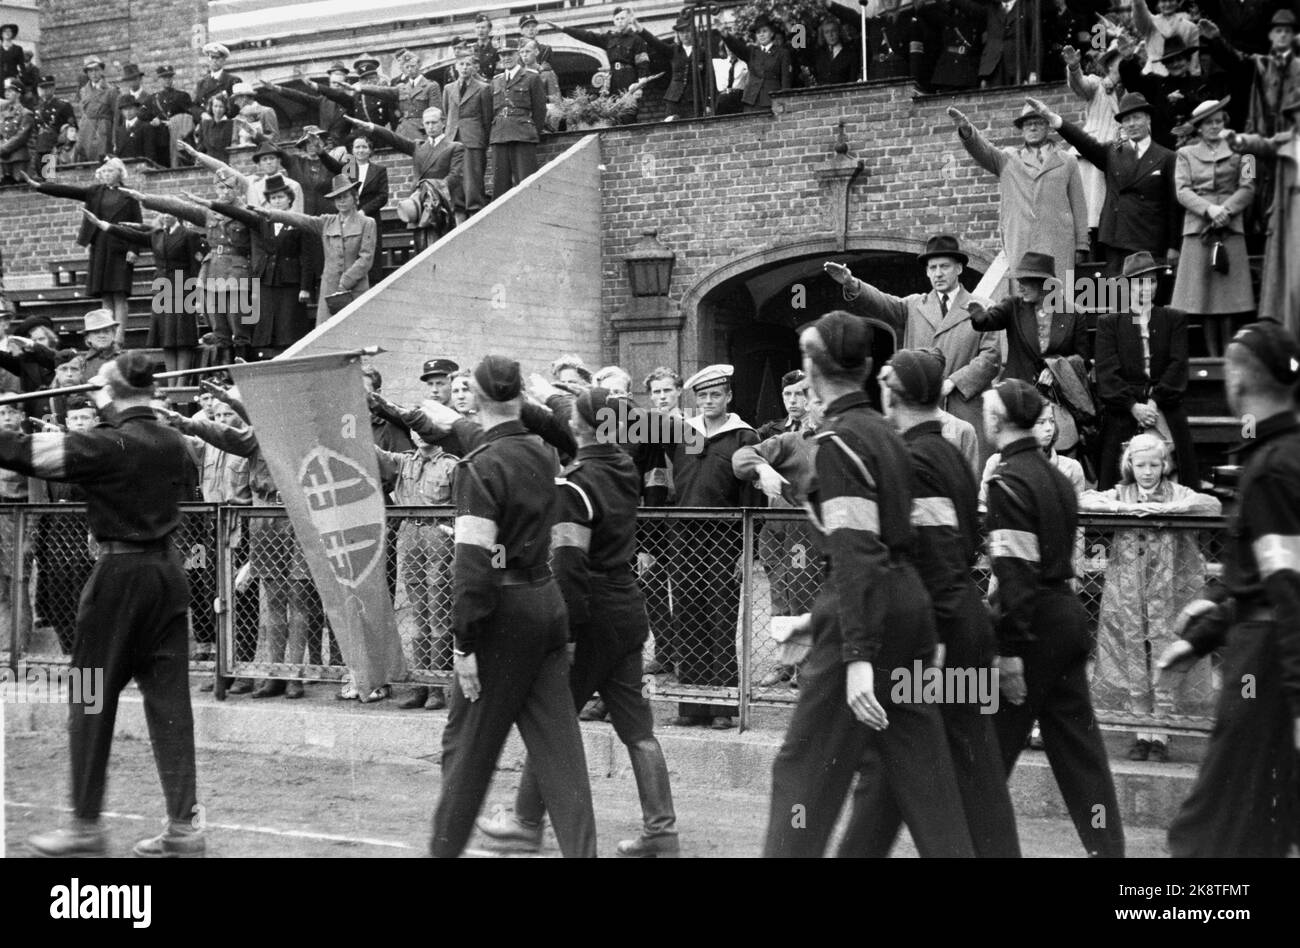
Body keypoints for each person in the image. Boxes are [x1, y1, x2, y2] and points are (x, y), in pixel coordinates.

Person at [764, 312, 975, 858]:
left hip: (865, 616)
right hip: (909, 608)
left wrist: (857, 655)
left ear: (813, 370)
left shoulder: (839, 442)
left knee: (804, 767)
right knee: (927, 781)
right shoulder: (888, 434)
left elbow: (858, 552)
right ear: (864, 368)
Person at [13, 352, 206, 858]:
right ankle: (184, 829)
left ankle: (84, 826)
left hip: (116, 580)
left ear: (109, 394)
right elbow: (142, 435)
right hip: (168, 577)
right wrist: (111, 397)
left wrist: (103, 404)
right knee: (171, 707)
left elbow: (20, 452)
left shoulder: (102, 444)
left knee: (88, 695)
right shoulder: (176, 442)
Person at [476, 385, 680, 857]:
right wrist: (530, 397)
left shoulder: (575, 484)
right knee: (639, 732)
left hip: (591, 617)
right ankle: (661, 832)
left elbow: (568, 567)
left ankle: (526, 822)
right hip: (628, 608)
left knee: (552, 724)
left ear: (581, 426)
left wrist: (565, 634)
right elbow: (570, 421)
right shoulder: (623, 466)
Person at [838, 348, 1021, 858]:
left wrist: (932, 639)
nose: (878, 381)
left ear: (896, 391)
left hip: (938, 635)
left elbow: (935, 552)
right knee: (968, 760)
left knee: (891, 760)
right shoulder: (948, 454)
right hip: (965, 624)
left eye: (886, 377)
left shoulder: (915, 460)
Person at [428, 355, 597, 858]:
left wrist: (463, 643)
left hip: (501, 613)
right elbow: (563, 435)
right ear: (520, 395)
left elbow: (473, 566)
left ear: (477, 400)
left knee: (466, 753)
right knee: (560, 754)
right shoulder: (541, 453)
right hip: (545, 599)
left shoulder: (479, 466)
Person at [1161, 320, 1300, 857]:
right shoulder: (1279, 456)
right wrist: (1204, 632)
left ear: (1238, 383)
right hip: (1266, 654)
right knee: (1255, 820)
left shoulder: (1272, 468)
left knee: (1211, 826)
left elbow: (1286, 591)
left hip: (1267, 663)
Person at [983, 378, 1125, 857]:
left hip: (1031, 626)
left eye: (987, 406)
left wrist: (1008, 650)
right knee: (1081, 758)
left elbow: (1016, 574)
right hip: (1065, 616)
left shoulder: (1006, 480)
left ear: (999, 419)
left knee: (984, 757)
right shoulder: (1057, 477)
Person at [1081, 432, 1222, 762]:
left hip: (1168, 592)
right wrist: (1124, 507)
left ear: (1164, 465)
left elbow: (1210, 504)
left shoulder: (1177, 492)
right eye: (1141, 464)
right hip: (1129, 592)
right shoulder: (1124, 492)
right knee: (1133, 653)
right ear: (1130, 464)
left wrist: (1171, 508)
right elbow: (1086, 500)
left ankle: (1161, 733)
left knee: (1164, 649)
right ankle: (1140, 730)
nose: (1147, 471)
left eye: (1154, 465)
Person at [828, 234, 1001, 466]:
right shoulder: (913, 306)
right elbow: (881, 302)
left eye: (944, 266)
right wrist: (852, 284)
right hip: (919, 410)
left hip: (963, 408)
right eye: (932, 268)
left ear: (959, 268)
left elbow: (991, 357)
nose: (938, 273)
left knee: (965, 473)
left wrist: (953, 382)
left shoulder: (983, 307)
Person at [1028, 93, 1182, 274]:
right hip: (1116, 239)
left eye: (1136, 117)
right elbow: (1085, 143)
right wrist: (1055, 119)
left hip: (1149, 240)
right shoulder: (1113, 153)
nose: (1131, 124)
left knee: (1144, 296)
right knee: (1118, 297)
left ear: (1148, 119)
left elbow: (1174, 204)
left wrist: (1174, 245)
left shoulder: (1167, 157)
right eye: (1126, 119)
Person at [733, 374, 822, 688]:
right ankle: (786, 663)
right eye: (789, 394)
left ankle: (806, 668)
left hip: (806, 534)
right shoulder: (780, 435)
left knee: (803, 597)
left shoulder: (830, 439)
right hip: (776, 530)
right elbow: (744, 455)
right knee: (780, 598)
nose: (796, 401)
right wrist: (763, 468)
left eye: (803, 395)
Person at [949, 102, 1090, 286]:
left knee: (1059, 298)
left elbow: (1078, 206)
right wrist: (967, 129)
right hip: (1022, 241)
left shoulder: (1067, 161)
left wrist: (1081, 245)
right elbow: (982, 150)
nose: (1032, 127)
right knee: (1025, 297)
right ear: (1021, 129)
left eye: (1038, 122)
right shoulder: (1008, 159)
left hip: (1058, 242)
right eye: (1027, 123)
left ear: (1048, 126)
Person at [1094, 251, 1198, 490]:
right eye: (1139, 283)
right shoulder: (1110, 323)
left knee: (1175, 473)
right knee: (1118, 479)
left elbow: (1178, 364)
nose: (1146, 289)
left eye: (1151, 282)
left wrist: (1155, 401)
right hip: (1124, 412)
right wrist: (1133, 406)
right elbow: (1107, 372)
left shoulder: (1174, 319)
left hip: (1164, 406)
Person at [125, 173, 257, 362]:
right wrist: (146, 199)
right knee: (218, 325)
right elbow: (179, 207)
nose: (225, 192)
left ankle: (243, 368)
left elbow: (257, 246)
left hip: (238, 272)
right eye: (220, 187)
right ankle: (223, 372)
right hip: (213, 272)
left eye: (229, 188)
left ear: (238, 190)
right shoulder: (209, 213)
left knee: (238, 324)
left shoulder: (246, 212)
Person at [376, 417, 458, 712]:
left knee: (439, 612)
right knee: (418, 613)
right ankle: (420, 685)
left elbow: (462, 506)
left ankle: (438, 687)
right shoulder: (402, 461)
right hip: (410, 533)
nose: (421, 436)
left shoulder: (451, 465)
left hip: (439, 534)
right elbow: (373, 453)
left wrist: (450, 531)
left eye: (427, 429)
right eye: (416, 430)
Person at [1172, 97, 1256, 355]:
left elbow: (1249, 187)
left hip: (1230, 229)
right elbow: (1182, 190)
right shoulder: (1184, 154)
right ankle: (1212, 357)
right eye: (1209, 122)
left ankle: (1230, 357)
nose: (1215, 126)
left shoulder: (1246, 152)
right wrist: (1209, 210)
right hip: (1199, 231)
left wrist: (1225, 211)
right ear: (1198, 127)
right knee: (1205, 296)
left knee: (1228, 297)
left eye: (1219, 121)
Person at [197, 172, 315, 357]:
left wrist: (306, 287)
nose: (277, 201)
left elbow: (307, 257)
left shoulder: (299, 222)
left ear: (289, 200)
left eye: (281, 197)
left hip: (290, 280)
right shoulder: (264, 222)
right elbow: (241, 219)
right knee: (266, 325)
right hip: (269, 277)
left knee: (287, 324)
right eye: (273, 198)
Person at [24, 158, 140, 342]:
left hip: (121, 248)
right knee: (105, 294)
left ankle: (119, 337)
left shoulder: (130, 195)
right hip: (100, 246)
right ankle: (107, 336)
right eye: (104, 172)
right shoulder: (95, 192)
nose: (106, 175)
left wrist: (134, 248)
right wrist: (40, 186)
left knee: (119, 293)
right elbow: (69, 191)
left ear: (119, 173)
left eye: (110, 171)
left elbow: (137, 224)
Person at [82, 208, 205, 374]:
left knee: (183, 339)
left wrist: (196, 297)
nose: (166, 216)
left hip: (183, 289)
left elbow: (195, 268)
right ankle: (171, 382)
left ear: (178, 215)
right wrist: (102, 224)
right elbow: (130, 234)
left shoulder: (189, 235)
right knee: (167, 339)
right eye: (163, 213)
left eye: (170, 212)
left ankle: (182, 382)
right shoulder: (157, 235)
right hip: (162, 289)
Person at [252, 173, 376, 325]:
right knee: (326, 330)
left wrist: (346, 282)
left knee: (356, 328)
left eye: (345, 196)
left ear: (355, 197)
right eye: (338, 198)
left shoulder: (367, 223)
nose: (341, 201)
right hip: (330, 288)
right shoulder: (327, 222)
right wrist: (272, 214)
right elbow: (301, 220)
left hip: (355, 287)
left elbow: (366, 259)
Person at [1228, 90, 1300, 337]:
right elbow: (1258, 146)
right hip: (1289, 212)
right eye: (1296, 113)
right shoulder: (1284, 141)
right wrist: (1239, 141)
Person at [353, 107, 462, 242]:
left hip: (440, 207)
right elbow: (394, 139)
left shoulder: (454, 147)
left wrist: (432, 193)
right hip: (418, 205)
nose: (430, 127)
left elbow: (454, 176)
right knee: (421, 247)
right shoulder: (418, 146)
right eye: (427, 123)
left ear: (443, 123)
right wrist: (372, 127)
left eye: (434, 122)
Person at [1063, 44, 1123, 248]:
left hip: (1120, 155)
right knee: (1092, 210)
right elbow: (1080, 85)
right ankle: (1087, 244)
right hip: (1093, 152)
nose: (1121, 68)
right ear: (1109, 66)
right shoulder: (1097, 85)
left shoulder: (1132, 90)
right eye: (1117, 63)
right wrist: (1073, 68)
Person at [1117, 32, 1211, 148]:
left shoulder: (1200, 83)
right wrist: (1129, 58)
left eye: (1180, 59)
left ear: (1188, 60)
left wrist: (1185, 102)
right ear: (1165, 64)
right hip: (1165, 152)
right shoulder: (1157, 84)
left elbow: (1210, 112)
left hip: (1198, 147)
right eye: (1171, 61)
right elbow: (1134, 83)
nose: (1176, 64)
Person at [489, 44, 547, 200]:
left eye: (510, 54)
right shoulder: (496, 81)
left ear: (518, 55)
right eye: (502, 55)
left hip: (523, 134)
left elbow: (540, 109)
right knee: (500, 185)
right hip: (499, 135)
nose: (506, 58)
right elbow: (491, 111)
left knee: (527, 181)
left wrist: (533, 131)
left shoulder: (531, 77)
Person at [548, 7, 651, 96]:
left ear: (629, 19)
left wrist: (640, 85)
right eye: (617, 19)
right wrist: (564, 29)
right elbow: (586, 35)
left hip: (629, 77)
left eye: (622, 18)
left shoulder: (636, 38)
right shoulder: (609, 38)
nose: (620, 21)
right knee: (613, 113)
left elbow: (642, 61)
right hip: (613, 78)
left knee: (629, 112)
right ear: (614, 21)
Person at [443, 45, 492, 218]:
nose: (465, 68)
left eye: (468, 64)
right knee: (455, 180)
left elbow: (487, 118)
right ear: (456, 67)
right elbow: (447, 112)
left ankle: (475, 212)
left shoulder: (483, 88)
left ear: (474, 67)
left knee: (473, 181)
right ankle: (459, 213)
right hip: (453, 140)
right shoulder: (449, 89)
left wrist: (483, 141)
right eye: (461, 64)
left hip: (473, 138)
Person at [356, 48, 438, 141]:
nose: (410, 70)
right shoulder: (400, 87)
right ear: (403, 69)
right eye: (407, 67)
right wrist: (360, 88)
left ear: (419, 65)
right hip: (403, 131)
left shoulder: (431, 86)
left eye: (413, 66)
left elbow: (436, 113)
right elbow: (382, 92)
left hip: (423, 131)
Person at [646, 15, 718, 120]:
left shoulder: (702, 52)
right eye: (681, 32)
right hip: (674, 99)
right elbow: (655, 43)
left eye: (688, 31)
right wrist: (640, 29)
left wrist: (708, 104)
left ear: (694, 33)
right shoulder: (673, 50)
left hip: (694, 100)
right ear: (678, 34)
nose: (685, 35)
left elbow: (710, 78)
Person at [721, 15, 792, 111]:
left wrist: (784, 101)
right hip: (751, 102)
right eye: (758, 32)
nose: (761, 35)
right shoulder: (752, 52)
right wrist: (726, 35)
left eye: (764, 31)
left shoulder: (782, 53)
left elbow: (785, 79)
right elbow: (737, 47)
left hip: (772, 101)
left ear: (771, 33)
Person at [28, 74, 76, 182]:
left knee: (51, 180)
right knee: (41, 180)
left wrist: (64, 146)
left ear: (54, 88)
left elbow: (72, 127)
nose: (45, 91)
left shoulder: (63, 105)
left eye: (48, 87)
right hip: (40, 148)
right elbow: (35, 130)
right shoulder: (36, 108)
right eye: (42, 88)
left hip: (54, 148)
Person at [147, 65, 193, 168]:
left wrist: (176, 122)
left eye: (169, 77)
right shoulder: (153, 99)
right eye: (164, 78)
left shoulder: (182, 96)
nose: (167, 80)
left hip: (179, 139)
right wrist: (153, 120)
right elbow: (143, 115)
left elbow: (189, 118)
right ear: (159, 80)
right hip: (161, 141)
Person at [74, 55, 115, 164]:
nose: (94, 74)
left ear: (102, 71)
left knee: (103, 160)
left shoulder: (111, 90)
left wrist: (115, 139)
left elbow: (116, 116)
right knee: (86, 159)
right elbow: (83, 114)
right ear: (87, 73)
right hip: (87, 129)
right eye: (90, 71)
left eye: (96, 70)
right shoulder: (83, 91)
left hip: (104, 128)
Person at [192, 42, 240, 126]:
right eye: (212, 57)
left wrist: (221, 117)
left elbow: (237, 106)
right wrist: (202, 114)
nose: (214, 61)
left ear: (224, 60)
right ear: (208, 59)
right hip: (206, 125)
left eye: (218, 58)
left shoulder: (233, 81)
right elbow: (194, 106)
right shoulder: (201, 83)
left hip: (225, 125)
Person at [806, 16, 861, 86]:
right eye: (827, 32)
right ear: (823, 35)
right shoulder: (818, 53)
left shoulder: (850, 53)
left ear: (839, 32)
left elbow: (853, 80)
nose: (830, 35)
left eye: (833, 31)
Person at [0, 77, 33, 185]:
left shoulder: (26, 113)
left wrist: (3, 148)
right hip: (3, 159)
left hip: (18, 158)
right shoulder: (3, 113)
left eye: (10, 91)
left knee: (20, 189)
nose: (7, 93)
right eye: (6, 91)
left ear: (18, 94)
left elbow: (21, 137)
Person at [469, 13, 501, 82]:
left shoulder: (496, 49)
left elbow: (499, 75)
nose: (480, 30)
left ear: (489, 29)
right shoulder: (470, 50)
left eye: (483, 27)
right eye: (478, 27)